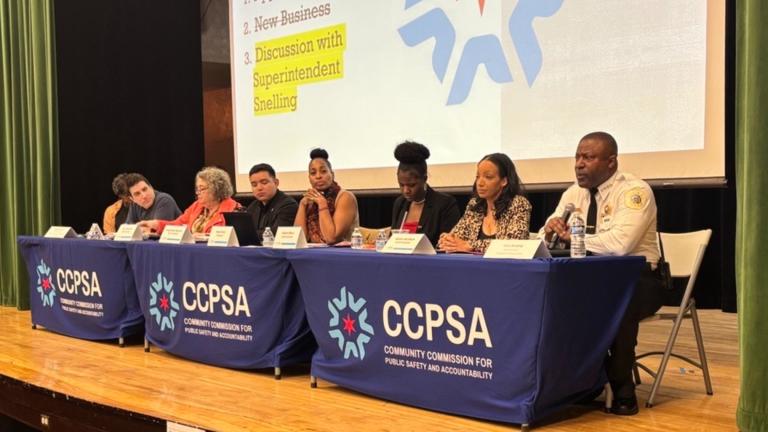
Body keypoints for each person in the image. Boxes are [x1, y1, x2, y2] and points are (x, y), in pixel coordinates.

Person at [538, 131, 664, 416]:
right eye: (577, 157)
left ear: (611, 162)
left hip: (638, 277)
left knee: (615, 303)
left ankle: (622, 389)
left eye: (589, 157)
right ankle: (581, 382)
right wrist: (551, 231)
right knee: (552, 301)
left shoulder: (634, 191)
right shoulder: (573, 194)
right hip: (588, 277)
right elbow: (543, 236)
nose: (579, 164)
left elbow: (621, 245)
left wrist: (573, 239)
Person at [438, 153, 531, 253]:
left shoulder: (518, 204)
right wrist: (447, 241)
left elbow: (514, 245)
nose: (480, 183)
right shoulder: (475, 206)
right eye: (478, 176)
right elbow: (456, 239)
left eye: (488, 177)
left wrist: (470, 245)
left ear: (504, 181)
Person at [391, 141, 460, 246]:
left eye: (412, 185)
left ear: (424, 179)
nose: (406, 190)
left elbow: (447, 245)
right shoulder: (400, 203)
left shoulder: (445, 204)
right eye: (401, 185)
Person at [140, 167, 242, 236]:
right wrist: (155, 224)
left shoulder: (233, 208)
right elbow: (178, 225)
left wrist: (204, 237)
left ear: (217, 189)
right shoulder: (197, 206)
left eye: (202, 188)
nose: (198, 193)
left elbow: (229, 237)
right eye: (197, 189)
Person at [293, 148, 359, 244]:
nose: (318, 176)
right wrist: (302, 206)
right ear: (309, 178)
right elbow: (297, 240)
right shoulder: (309, 201)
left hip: (341, 256)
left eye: (323, 171)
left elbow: (331, 238)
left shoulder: (345, 197)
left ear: (332, 174)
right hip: (312, 254)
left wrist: (322, 204)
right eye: (313, 173)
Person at [245, 163, 298, 240]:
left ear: (276, 183)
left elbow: (277, 233)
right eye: (254, 185)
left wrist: (250, 234)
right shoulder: (253, 206)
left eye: (264, 183)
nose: (259, 188)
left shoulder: (288, 205)